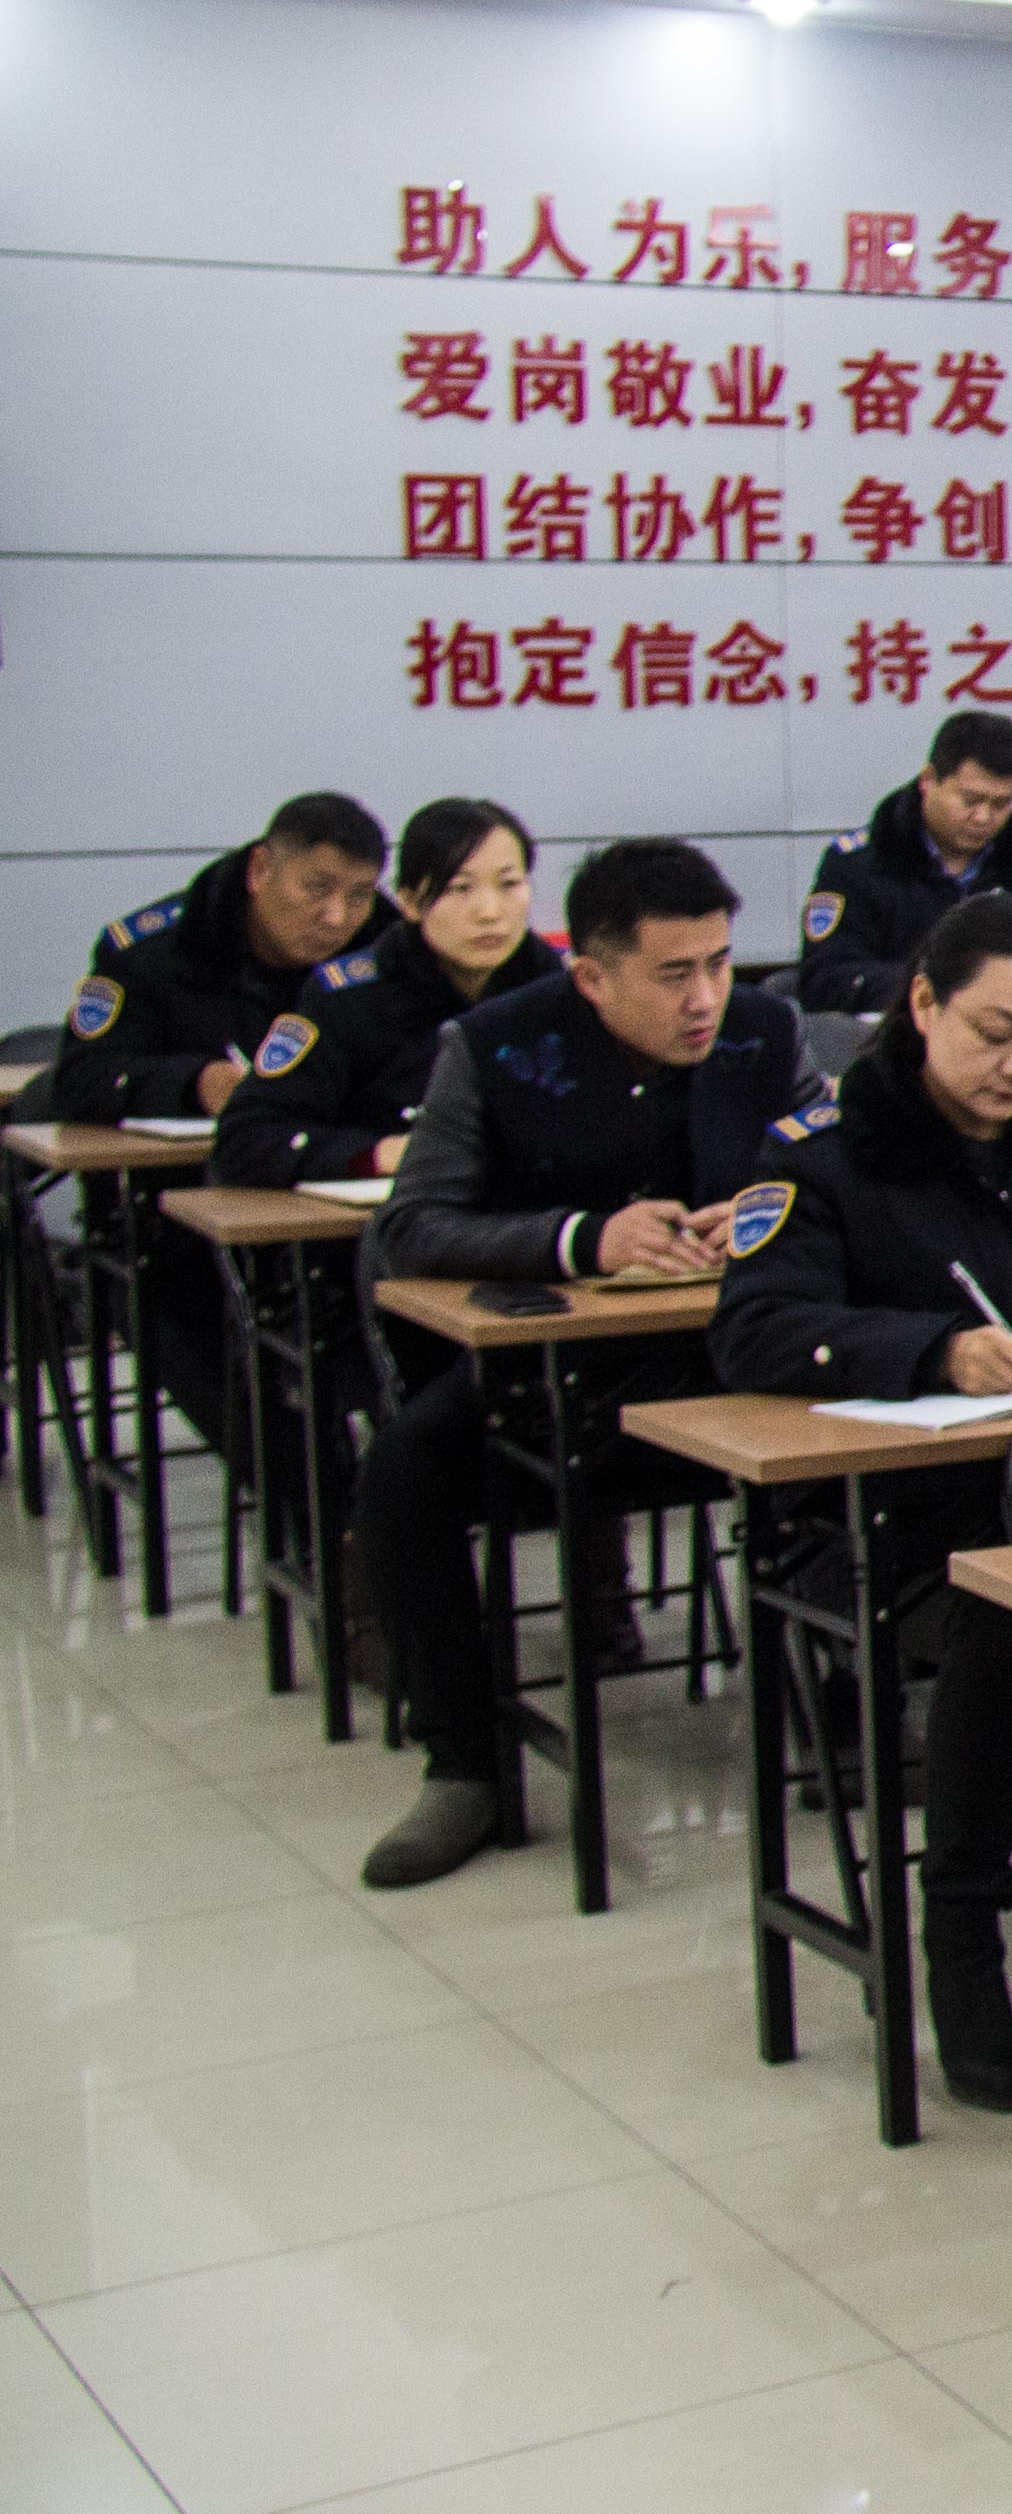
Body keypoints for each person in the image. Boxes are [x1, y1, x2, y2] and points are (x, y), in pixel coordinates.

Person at [707, 895, 1012, 2109]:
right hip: (893, 1522)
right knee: (1010, 1605)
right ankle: (961, 1921)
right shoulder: (822, 1152)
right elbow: (755, 1328)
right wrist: (936, 1351)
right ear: (922, 1004)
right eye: (994, 1033)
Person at [354, 837, 818, 1890]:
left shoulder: (768, 1032)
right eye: (673, 974)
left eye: (719, 964)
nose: (705, 998)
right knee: (403, 1471)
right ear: (593, 977)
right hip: (559, 1379)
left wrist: (769, 1213)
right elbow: (414, 1226)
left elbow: (841, 1171)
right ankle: (464, 1765)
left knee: (867, 1441)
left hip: (745, 1362)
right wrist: (583, 1240)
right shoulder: (493, 1047)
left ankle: (846, 1707)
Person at [219, 798, 557, 1189]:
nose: (489, 912)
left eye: (509, 884)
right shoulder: (348, 998)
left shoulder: (559, 989)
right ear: (409, 901)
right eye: (460, 888)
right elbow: (245, 1140)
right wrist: (380, 1153)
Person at [54, 788, 387, 1126]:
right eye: (318, 888)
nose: (337, 918)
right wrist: (196, 1084)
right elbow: (81, 1080)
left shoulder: (388, 951)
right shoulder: (155, 952)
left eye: (359, 896)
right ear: (260, 870)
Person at [795, 713, 1012, 1014]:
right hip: (898, 1028)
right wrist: (944, 988)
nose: (983, 817)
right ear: (928, 780)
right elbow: (827, 976)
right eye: (970, 800)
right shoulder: (860, 863)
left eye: (1000, 803)